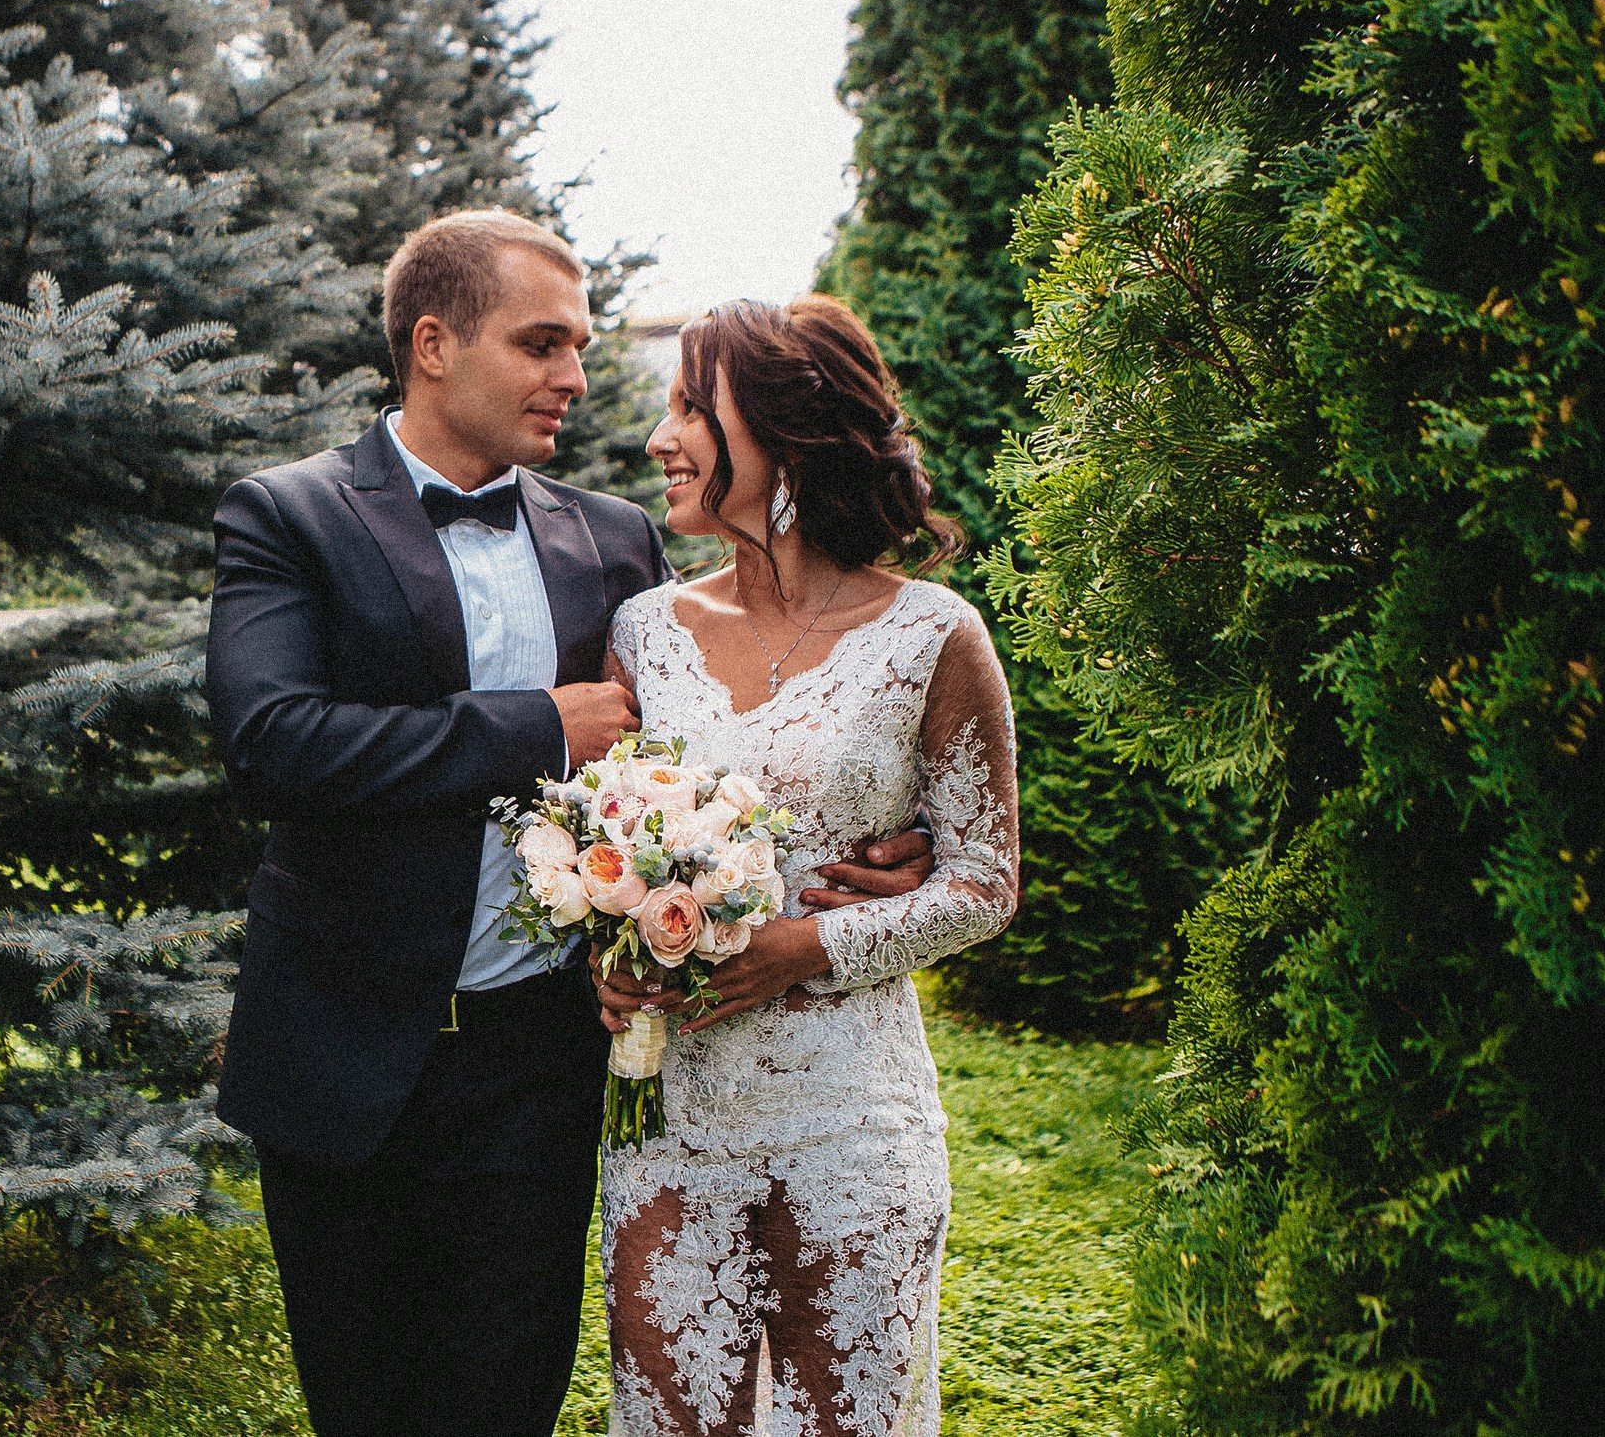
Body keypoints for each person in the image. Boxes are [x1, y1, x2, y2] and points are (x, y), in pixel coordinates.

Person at [204, 215, 934, 1436]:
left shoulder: (613, 539)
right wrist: (531, 728)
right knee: (363, 1403)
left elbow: (701, 745)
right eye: (542, 343)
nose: (578, 377)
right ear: (433, 344)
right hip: (346, 1046)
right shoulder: (289, 515)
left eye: (581, 345)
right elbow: (272, 746)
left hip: (536, 1065)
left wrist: (870, 841)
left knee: (508, 1398)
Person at [592, 296, 1020, 1436]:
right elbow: (611, 842)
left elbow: (984, 879)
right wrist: (612, 959)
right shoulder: (642, 629)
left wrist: (804, 947)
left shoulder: (932, 632)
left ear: (781, 440)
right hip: (670, 1114)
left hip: (852, 1116)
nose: (659, 437)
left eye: (690, 406)